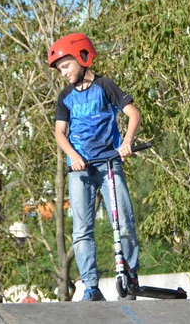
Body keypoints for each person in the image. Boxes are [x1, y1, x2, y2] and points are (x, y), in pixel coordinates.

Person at [48, 33, 142, 302]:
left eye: (65, 66)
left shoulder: (105, 86)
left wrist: (127, 142)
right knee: (82, 230)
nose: (63, 73)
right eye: (59, 69)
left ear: (82, 57)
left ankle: (130, 274)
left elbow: (133, 113)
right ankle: (90, 286)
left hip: (109, 163)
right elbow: (59, 134)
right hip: (80, 170)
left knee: (123, 222)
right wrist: (73, 156)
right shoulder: (65, 97)